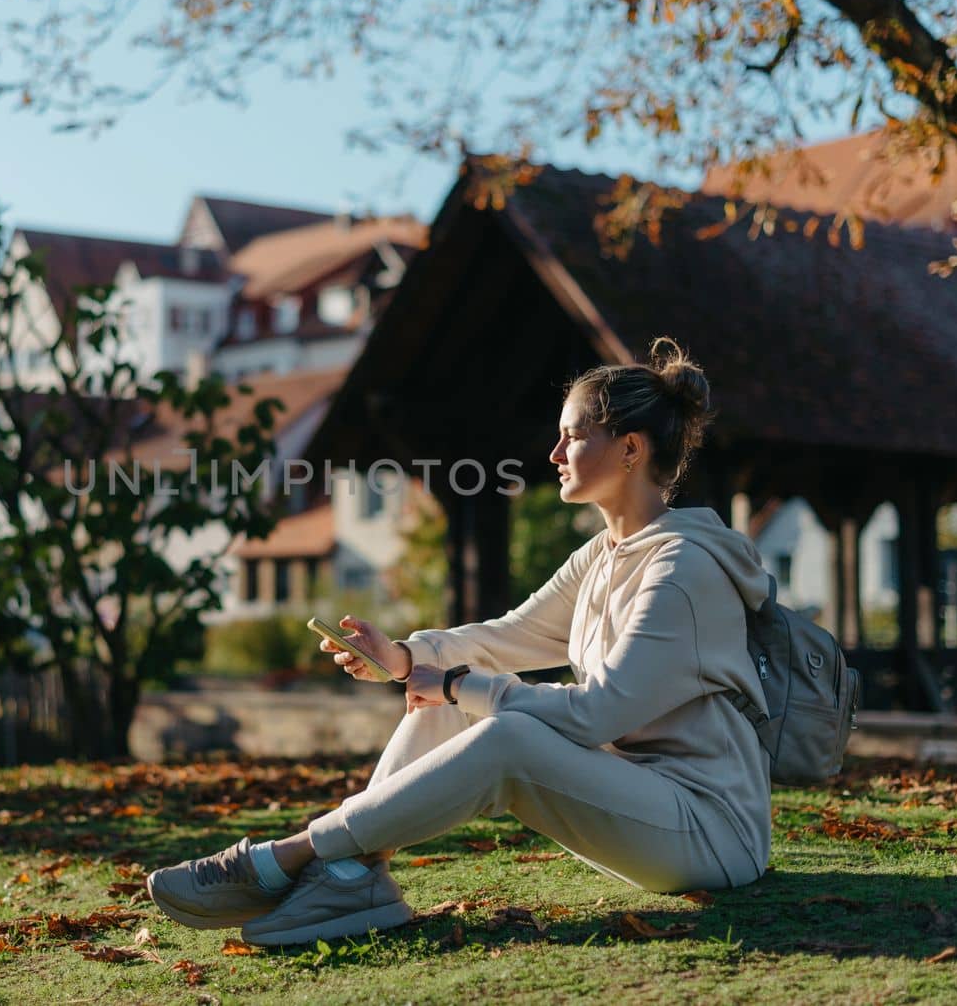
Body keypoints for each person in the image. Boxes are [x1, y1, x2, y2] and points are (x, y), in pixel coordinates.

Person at [146, 337, 773, 947]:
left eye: (574, 436)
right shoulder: (604, 557)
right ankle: (351, 874)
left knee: (503, 729)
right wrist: (406, 658)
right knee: (461, 701)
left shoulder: (682, 569)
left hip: (710, 831)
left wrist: (458, 684)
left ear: (631, 449)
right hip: (639, 803)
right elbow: (510, 636)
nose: (554, 453)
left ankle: (294, 855)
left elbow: (598, 712)